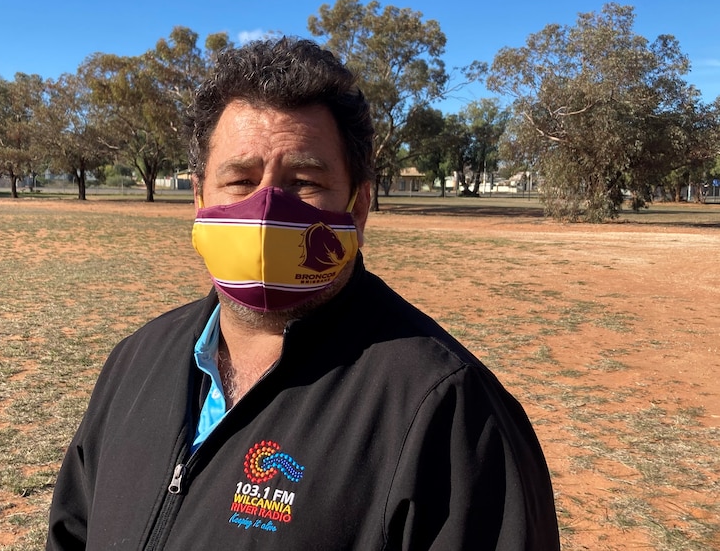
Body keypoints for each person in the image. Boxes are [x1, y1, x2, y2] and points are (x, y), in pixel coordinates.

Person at [46, 37, 560, 550]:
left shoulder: (447, 408)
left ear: (358, 205)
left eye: (304, 182)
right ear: (200, 198)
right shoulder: (138, 359)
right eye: (241, 180)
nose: (267, 207)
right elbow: (73, 531)